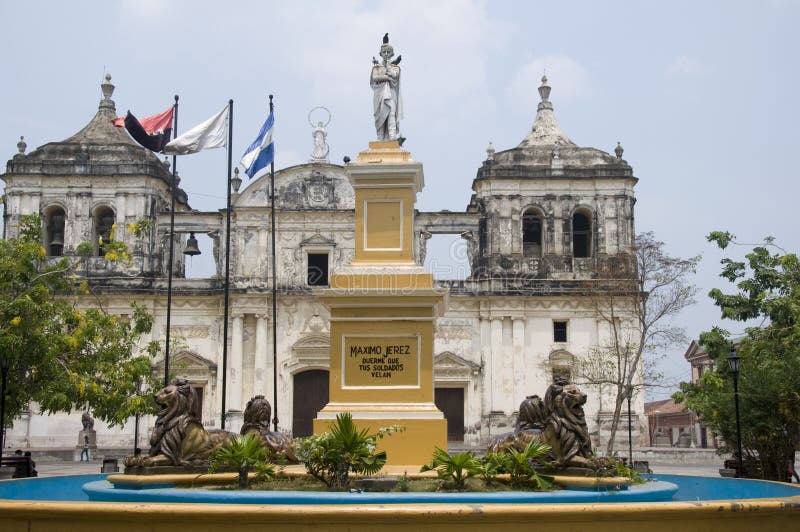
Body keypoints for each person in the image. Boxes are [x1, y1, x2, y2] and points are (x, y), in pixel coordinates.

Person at [370, 33, 402, 141]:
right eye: (384, 52)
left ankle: (392, 136)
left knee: (391, 112)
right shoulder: (377, 67)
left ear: (392, 54)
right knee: (380, 115)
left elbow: (394, 75)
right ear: (380, 54)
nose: (386, 54)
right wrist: (387, 78)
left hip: (391, 94)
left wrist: (388, 65)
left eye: (389, 52)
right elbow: (374, 78)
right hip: (379, 95)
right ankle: (380, 137)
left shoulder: (395, 67)